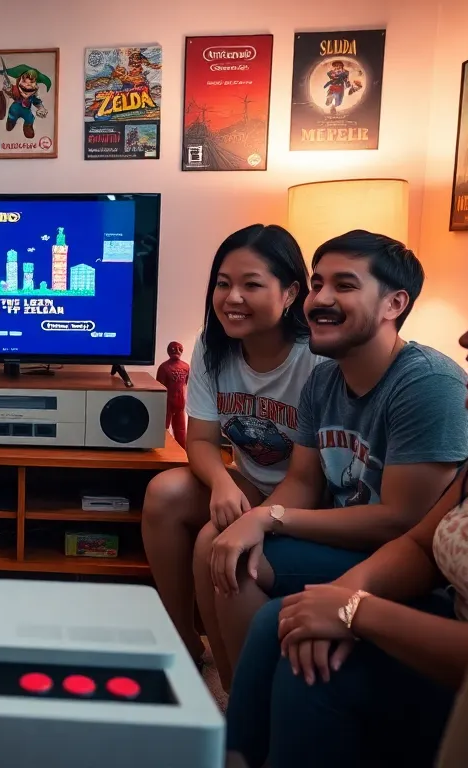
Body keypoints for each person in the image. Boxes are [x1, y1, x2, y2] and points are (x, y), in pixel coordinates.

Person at [225, 224, 468, 768]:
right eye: (317, 282)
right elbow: (420, 543)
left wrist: (353, 611)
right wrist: (339, 597)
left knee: (313, 675)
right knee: (282, 621)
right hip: (440, 613)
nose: (467, 338)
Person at [193, 230, 468, 682]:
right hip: (346, 542)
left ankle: (252, 712)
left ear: (395, 304)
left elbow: (402, 521)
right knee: (224, 545)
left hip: (413, 567)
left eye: (344, 286)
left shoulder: (428, 384)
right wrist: (254, 520)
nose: (320, 299)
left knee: (240, 561)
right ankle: (238, 703)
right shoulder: (325, 378)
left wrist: (268, 518)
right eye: (316, 284)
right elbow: (305, 482)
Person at [141, 224, 323, 669]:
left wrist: (256, 515)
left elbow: (310, 477)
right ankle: (182, 638)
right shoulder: (211, 346)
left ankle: (230, 681)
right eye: (223, 284)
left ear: (290, 293)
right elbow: (200, 439)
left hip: (307, 496)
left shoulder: (315, 358)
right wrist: (222, 482)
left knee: (212, 539)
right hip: (249, 482)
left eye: (251, 284)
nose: (232, 297)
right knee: (162, 493)